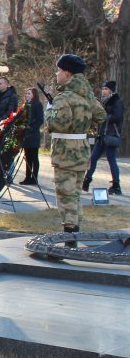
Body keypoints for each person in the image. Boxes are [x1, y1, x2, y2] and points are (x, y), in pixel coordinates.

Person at [45, 54, 106, 242]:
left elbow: (59, 124)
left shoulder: (64, 97)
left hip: (65, 153)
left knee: (65, 194)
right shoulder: (87, 95)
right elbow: (101, 115)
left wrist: (50, 111)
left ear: (67, 73)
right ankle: (75, 229)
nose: (57, 74)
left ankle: (69, 234)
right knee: (76, 193)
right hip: (81, 149)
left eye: (58, 71)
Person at [82, 80, 124, 195]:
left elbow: (118, 117)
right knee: (93, 158)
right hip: (101, 136)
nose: (103, 91)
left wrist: (105, 116)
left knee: (111, 161)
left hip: (110, 136)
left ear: (110, 90)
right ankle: (86, 181)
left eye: (105, 89)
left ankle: (116, 185)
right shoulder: (104, 101)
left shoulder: (117, 102)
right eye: (103, 88)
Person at [19, 87, 44, 185]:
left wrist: (31, 128)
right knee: (27, 157)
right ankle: (27, 177)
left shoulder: (37, 104)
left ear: (34, 94)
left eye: (29, 93)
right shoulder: (25, 105)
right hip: (26, 135)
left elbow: (40, 120)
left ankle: (34, 178)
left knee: (34, 157)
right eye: (26, 93)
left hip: (33, 134)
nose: (27, 95)